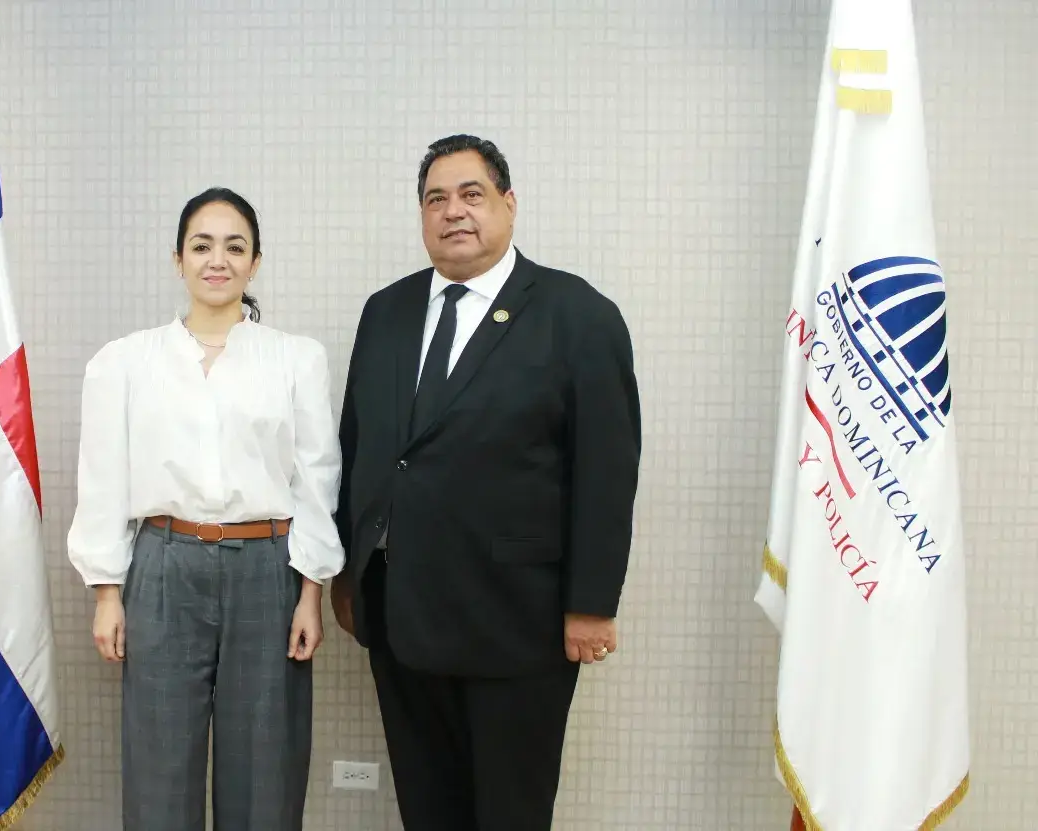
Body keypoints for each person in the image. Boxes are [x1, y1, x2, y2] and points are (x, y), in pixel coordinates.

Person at [330, 135, 642, 831]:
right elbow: (359, 445)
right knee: (427, 809)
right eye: (435, 199)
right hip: (402, 615)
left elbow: (607, 469)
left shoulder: (576, 314)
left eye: (471, 194)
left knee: (508, 813)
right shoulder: (386, 311)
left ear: (508, 204)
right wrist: (347, 572)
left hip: (518, 622)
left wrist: (592, 603)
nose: (453, 211)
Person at [66, 187, 344, 831]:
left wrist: (311, 592)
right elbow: (103, 480)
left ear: (255, 262)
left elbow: (317, 478)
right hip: (163, 565)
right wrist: (107, 593)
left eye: (234, 247)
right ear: (178, 259)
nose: (218, 260)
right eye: (202, 246)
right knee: (160, 757)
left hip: (268, 568)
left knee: (266, 760)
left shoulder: (296, 359)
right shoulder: (124, 362)